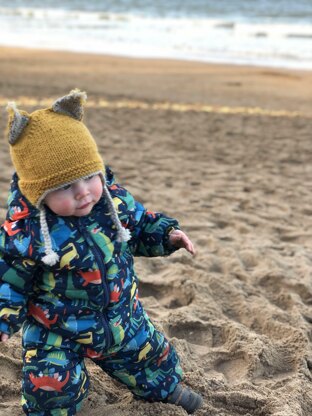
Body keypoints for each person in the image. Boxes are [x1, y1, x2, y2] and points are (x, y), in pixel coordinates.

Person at [0, 89, 203, 415]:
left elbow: (139, 225)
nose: (83, 193)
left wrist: (166, 235)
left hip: (120, 314)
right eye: (65, 187)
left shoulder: (113, 201)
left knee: (149, 355)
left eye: (89, 178)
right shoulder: (27, 231)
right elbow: (9, 277)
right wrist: (4, 318)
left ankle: (166, 389)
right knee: (50, 386)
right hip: (58, 330)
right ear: (40, 193)